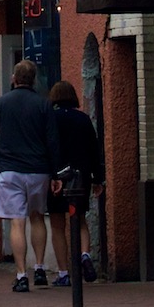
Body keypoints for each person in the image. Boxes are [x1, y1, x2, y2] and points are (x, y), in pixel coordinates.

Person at [0, 59, 61, 293]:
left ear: (13, 78)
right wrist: (56, 172)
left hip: (9, 168)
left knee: (17, 222)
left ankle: (20, 274)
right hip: (38, 169)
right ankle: (39, 268)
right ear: (34, 79)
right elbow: (52, 140)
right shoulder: (43, 104)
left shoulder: (0, 104)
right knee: (37, 217)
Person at [47, 81, 104, 287]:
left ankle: (63, 272)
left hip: (57, 177)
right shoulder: (83, 119)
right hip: (81, 176)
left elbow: (47, 147)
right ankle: (85, 254)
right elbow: (94, 149)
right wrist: (98, 179)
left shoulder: (51, 118)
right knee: (79, 218)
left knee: (57, 225)